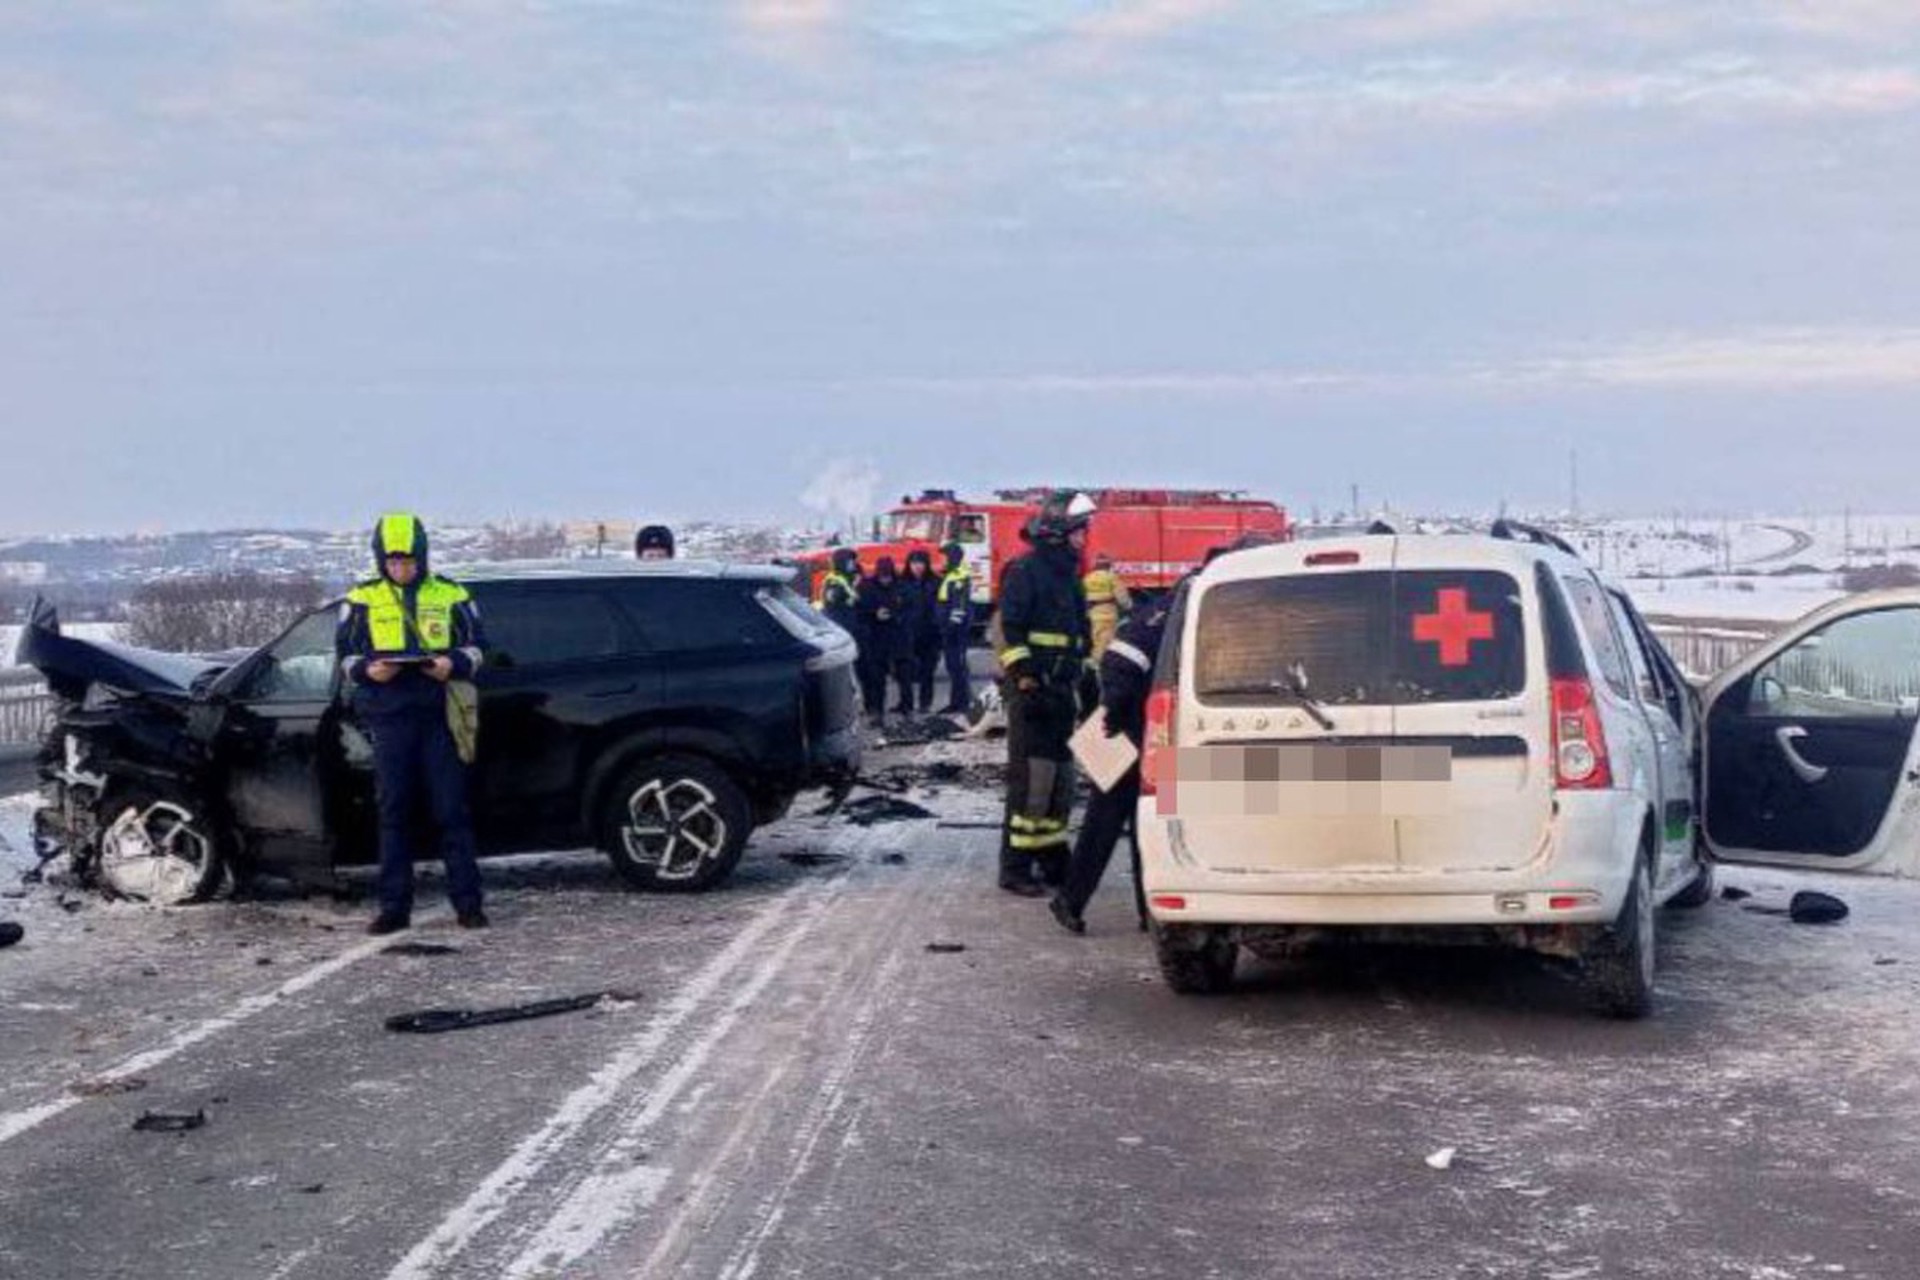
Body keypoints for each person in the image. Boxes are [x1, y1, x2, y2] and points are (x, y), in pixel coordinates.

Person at [336, 512, 490, 934]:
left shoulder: (452, 593)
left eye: (407, 561)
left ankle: (468, 904)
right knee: (393, 813)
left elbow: (479, 649)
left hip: (440, 715)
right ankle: (393, 908)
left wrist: (451, 663)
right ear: (380, 560)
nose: (400, 568)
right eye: (393, 561)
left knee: (451, 812)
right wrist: (369, 671)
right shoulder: (361, 599)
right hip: (390, 718)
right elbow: (345, 657)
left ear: (422, 557)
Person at [1050, 584, 1180, 935]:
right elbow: (1122, 657)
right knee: (1113, 817)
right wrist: (1115, 710)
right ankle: (1072, 900)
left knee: (1151, 822)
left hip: (1162, 731)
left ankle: (1146, 911)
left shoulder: (1180, 605)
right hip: (1137, 729)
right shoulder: (1173, 611)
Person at [996, 492, 1099, 897]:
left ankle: (1053, 856)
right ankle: (1016, 866)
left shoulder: (1067, 574)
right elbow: (1011, 631)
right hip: (1033, 692)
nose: (1085, 538)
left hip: (1061, 690)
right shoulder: (1025, 571)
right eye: (1080, 530)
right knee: (1032, 780)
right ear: (1059, 533)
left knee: (1059, 779)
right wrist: (1024, 677)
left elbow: (1080, 632)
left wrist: (1086, 673)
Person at [855, 556, 905, 727]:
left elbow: (910, 608)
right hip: (874, 638)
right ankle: (877, 713)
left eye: (888, 577)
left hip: (898, 636)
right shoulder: (866, 586)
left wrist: (896, 615)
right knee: (876, 679)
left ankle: (907, 710)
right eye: (883, 577)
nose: (886, 580)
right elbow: (859, 611)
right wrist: (874, 614)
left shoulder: (901, 585)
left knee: (904, 676)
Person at [900, 549, 943, 714]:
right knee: (905, 672)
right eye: (913, 563)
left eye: (921, 563)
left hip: (930, 633)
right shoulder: (902, 582)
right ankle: (906, 703)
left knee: (928, 671)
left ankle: (925, 703)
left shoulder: (936, 582)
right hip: (908, 633)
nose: (917, 567)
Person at [935, 542, 975, 715]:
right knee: (953, 666)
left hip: (955, 631)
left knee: (958, 665)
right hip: (949, 628)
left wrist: (951, 627)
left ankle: (964, 703)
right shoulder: (951, 575)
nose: (941, 560)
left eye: (944, 556)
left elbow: (959, 607)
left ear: (952, 557)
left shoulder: (958, 577)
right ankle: (956, 702)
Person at [1082, 553, 1132, 663]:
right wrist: (1129, 607)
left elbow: (1081, 597)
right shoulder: (1111, 577)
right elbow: (1123, 599)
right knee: (1105, 643)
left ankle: (1092, 664)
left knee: (1095, 640)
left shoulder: (1088, 578)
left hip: (1092, 615)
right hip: (1108, 616)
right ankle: (1099, 666)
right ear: (1109, 565)